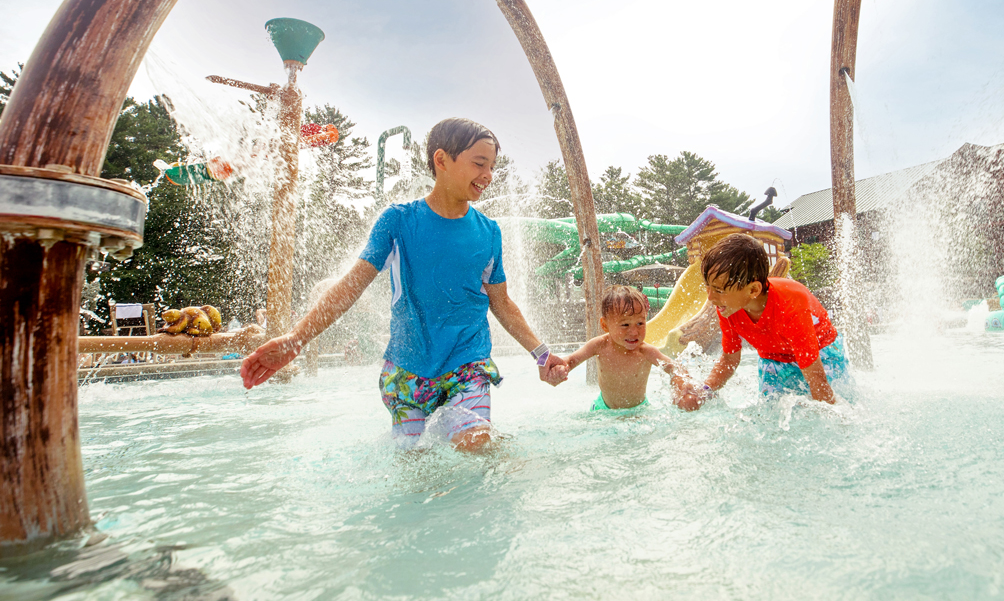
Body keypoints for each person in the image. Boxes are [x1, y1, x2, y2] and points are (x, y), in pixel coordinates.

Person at [239, 118, 568, 451]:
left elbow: (502, 303)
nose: (488, 175)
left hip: (468, 366)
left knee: (476, 445)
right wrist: (295, 340)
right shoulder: (398, 221)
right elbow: (351, 286)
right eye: (479, 164)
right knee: (413, 464)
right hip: (407, 373)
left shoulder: (488, 232)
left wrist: (541, 355)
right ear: (441, 160)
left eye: (492, 166)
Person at [674, 234, 850, 411]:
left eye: (719, 290)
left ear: (753, 290)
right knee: (770, 412)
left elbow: (818, 381)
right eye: (708, 287)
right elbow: (729, 360)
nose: (711, 298)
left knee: (827, 405)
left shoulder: (790, 308)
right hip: (773, 358)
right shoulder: (728, 308)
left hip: (822, 350)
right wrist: (704, 391)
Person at [551, 285, 694, 411]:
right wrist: (561, 368)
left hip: (638, 410)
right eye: (625, 325)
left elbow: (674, 368)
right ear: (605, 325)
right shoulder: (599, 345)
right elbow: (571, 360)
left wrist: (682, 382)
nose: (634, 332)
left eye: (640, 323)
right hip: (603, 408)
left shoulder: (646, 352)